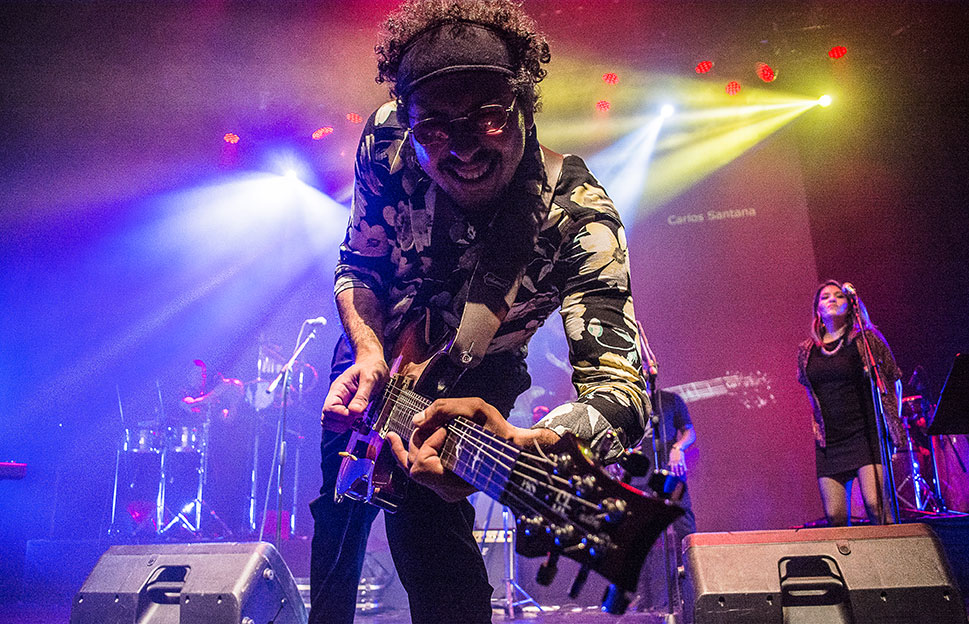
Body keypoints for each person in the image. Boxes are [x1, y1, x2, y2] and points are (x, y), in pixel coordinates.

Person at [308, 2, 650, 622]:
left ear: (524, 106)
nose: (461, 149)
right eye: (434, 129)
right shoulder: (387, 139)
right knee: (337, 527)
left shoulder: (579, 220)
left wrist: (527, 445)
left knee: (438, 560)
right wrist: (367, 348)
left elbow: (622, 392)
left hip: (478, 380)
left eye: (487, 118)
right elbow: (359, 263)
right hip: (378, 356)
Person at [796, 280, 903, 526]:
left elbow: (893, 379)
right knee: (835, 516)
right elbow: (810, 390)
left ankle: (894, 549)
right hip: (831, 441)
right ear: (817, 309)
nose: (832, 299)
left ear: (850, 304)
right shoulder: (806, 350)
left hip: (866, 435)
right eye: (825, 297)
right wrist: (817, 425)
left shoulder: (866, 340)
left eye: (839, 296)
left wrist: (891, 425)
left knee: (876, 506)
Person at [629, 389, 696, 614]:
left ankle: (693, 587)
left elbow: (689, 432)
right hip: (640, 478)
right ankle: (644, 596)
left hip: (669, 474)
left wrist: (678, 447)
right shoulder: (625, 402)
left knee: (685, 528)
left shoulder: (669, 400)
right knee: (640, 536)